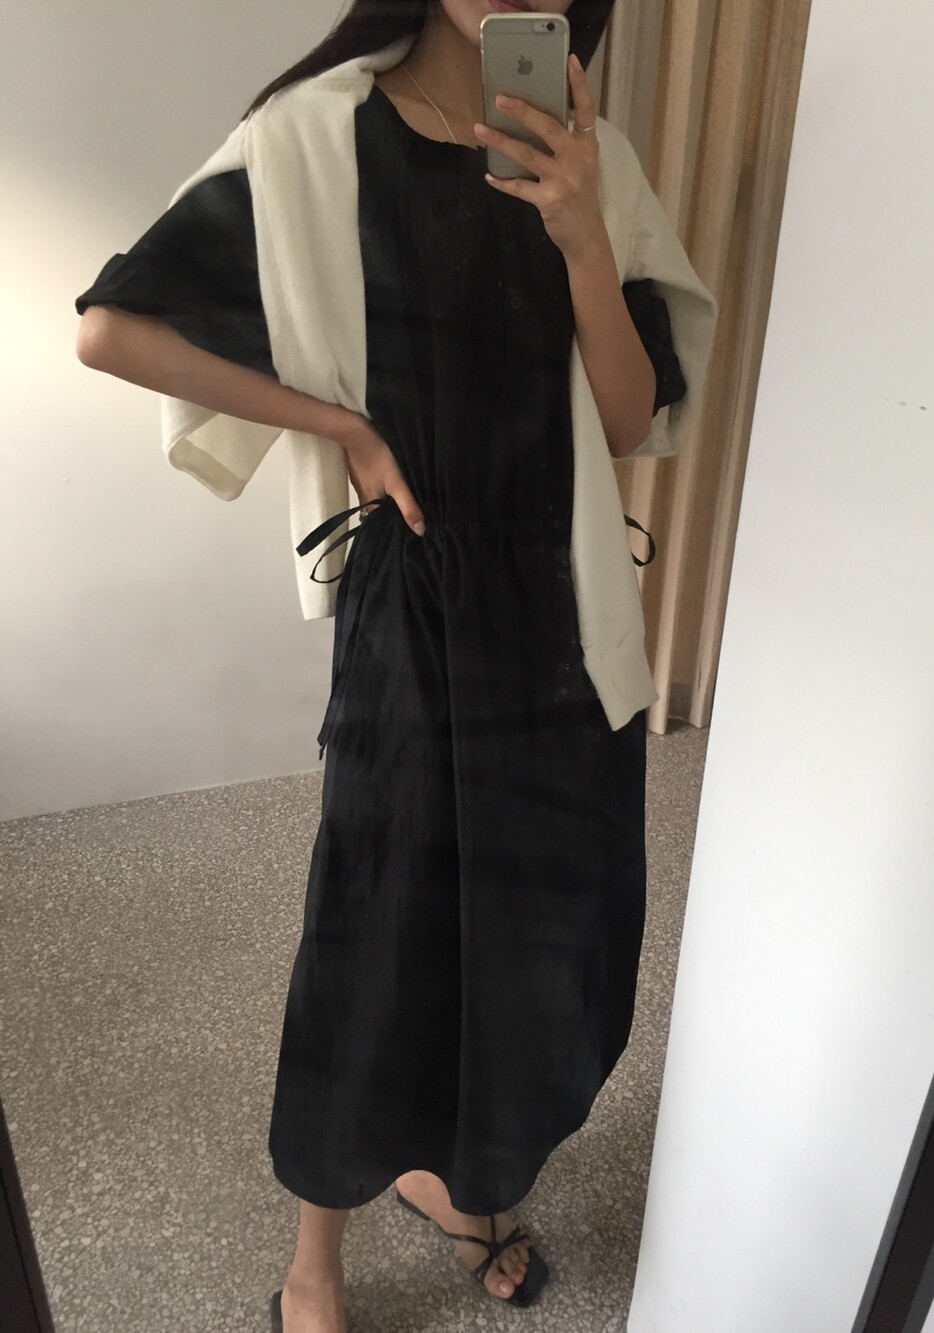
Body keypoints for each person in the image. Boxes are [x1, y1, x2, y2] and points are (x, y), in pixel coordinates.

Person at [75, 3, 707, 1330]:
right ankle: (315, 1258)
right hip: (411, 602)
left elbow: (626, 417)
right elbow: (115, 330)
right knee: (377, 930)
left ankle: (456, 1177)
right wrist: (341, 429)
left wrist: (586, 238)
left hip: (558, 609)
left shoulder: (591, 156)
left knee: (548, 931)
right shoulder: (313, 137)